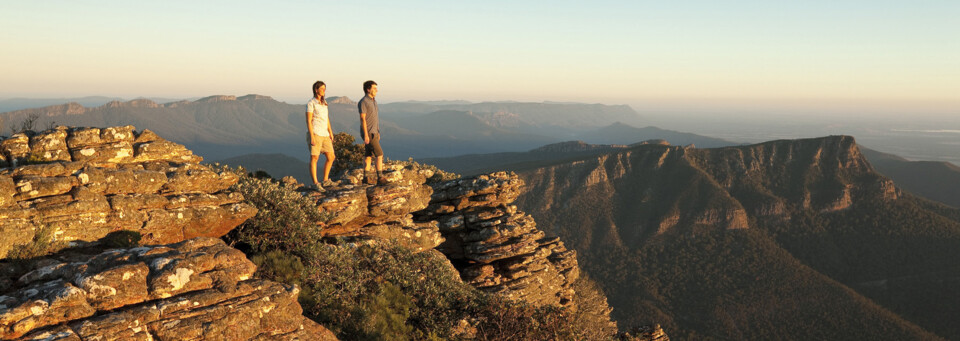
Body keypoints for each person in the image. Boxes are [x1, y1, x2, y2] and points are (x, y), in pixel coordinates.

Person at [306, 80, 336, 190]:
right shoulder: (311, 103)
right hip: (316, 133)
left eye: (325, 89)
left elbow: (326, 118)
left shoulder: (324, 103)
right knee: (314, 157)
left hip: (325, 134)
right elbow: (309, 121)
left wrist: (331, 132)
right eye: (322, 89)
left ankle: (325, 180)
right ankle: (315, 183)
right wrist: (312, 136)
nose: (324, 91)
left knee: (331, 156)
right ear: (316, 90)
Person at [358, 80, 383, 184]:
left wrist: (378, 131)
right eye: (374, 88)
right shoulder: (363, 102)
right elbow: (363, 119)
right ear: (368, 89)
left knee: (368, 155)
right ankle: (380, 178)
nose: (376, 90)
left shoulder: (374, 101)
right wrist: (366, 135)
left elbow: (375, 118)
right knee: (379, 154)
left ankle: (365, 178)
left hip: (374, 132)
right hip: (369, 133)